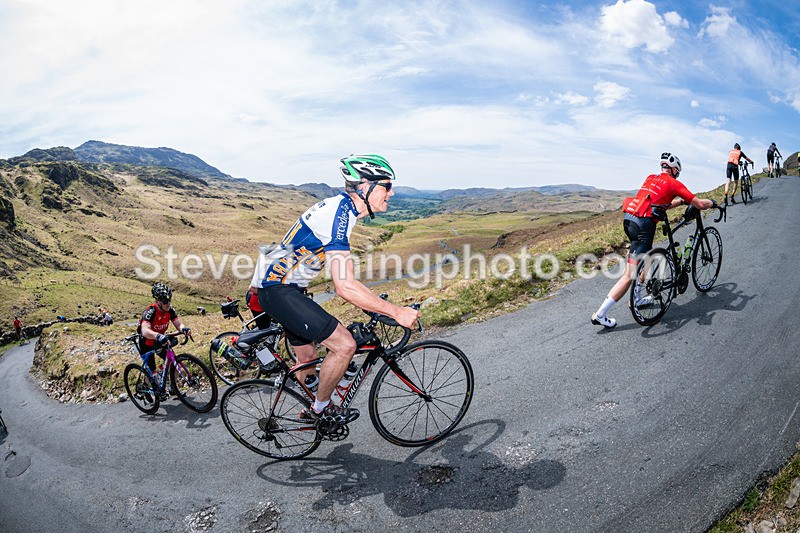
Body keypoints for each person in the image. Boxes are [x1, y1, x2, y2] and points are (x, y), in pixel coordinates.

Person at [256, 154, 420, 427]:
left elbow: (286, 246)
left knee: (308, 359)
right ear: (365, 186)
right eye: (387, 185)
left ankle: (311, 403)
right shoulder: (339, 215)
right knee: (345, 345)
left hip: (285, 288)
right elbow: (343, 286)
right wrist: (396, 312)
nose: (391, 192)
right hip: (279, 290)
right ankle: (320, 410)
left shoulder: (342, 210)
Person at [591, 153, 717, 328]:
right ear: (674, 170)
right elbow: (700, 204)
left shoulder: (651, 178)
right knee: (629, 275)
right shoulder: (674, 183)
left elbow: (657, 203)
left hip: (630, 221)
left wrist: (680, 202)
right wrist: (712, 202)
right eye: (677, 172)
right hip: (644, 226)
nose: (677, 175)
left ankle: (638, 298)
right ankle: (600, 314)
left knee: (646, 257)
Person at [137, 282, 191, 381]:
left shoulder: (170, 310)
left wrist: (184, 329)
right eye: (165, 301)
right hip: (146, 342)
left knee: (173, 362)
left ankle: (173, 389)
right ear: (157, 302)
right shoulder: (150, 312)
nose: (168, 304)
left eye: (169, 300)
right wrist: (158, 335)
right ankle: (148, 391)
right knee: (151, 372)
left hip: (160, 341)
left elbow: (178, 324)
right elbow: (144, 330)